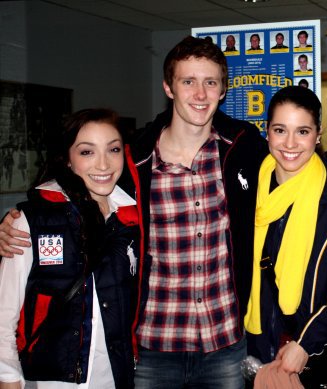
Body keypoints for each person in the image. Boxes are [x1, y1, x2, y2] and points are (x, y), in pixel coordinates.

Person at [0, 36, 268, 389]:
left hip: (225, 344)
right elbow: (81, 181)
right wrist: (19, 220)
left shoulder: (244, 148)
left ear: (223, 90)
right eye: (188, 81)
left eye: (210, 82)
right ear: (168, 87)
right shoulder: (133, 160)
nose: (200, 94)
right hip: (152, 349)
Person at [0, 108, 140, 388]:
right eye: (87, 152)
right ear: (67, 159)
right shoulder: (33, 220)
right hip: (51, 378)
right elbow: (5, 313)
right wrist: (8, 376)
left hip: (116, 375)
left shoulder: (132, 220)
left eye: (112, 149)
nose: (103, 164)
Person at [243, 86, 327, 388]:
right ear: (267, 132)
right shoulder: (249, 186)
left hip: (309, 351)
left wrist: (306, 343)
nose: (290, 143)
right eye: (280, 130)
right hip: (254, 343)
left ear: (318, 133)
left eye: (302, 131)